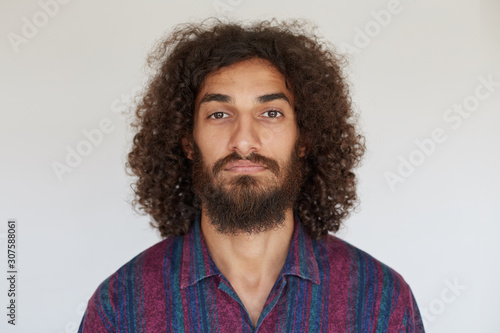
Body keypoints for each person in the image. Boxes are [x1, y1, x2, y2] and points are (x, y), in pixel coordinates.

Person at [78, 19, 425, 332]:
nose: (244, 140)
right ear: (187, 140)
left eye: (271, 112)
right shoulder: (120, 308)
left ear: (304, 138)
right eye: (218, 114)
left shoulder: (380, 301)